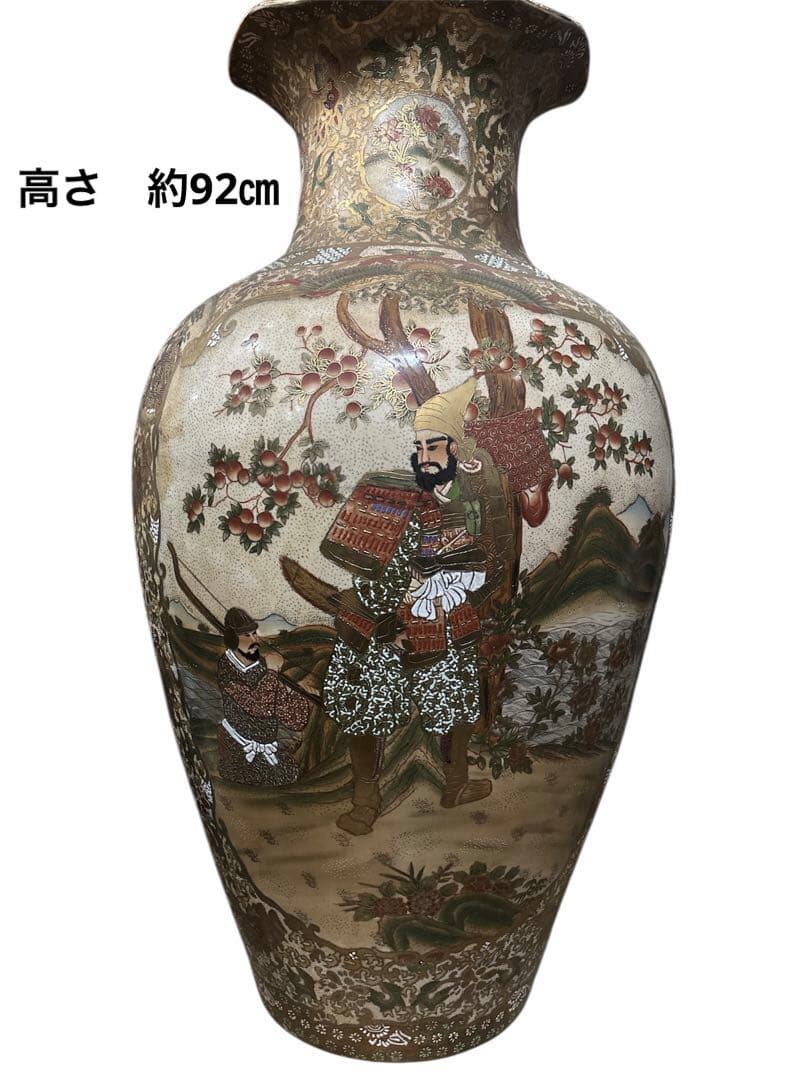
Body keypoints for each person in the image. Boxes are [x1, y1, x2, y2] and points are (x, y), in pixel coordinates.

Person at [321, 378, 514, 834]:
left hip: (442, 612)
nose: (425, 455)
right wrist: (386, 617)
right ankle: (365, 800)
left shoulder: (470, 497)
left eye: (434, 446)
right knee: (364, 703)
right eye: (420, 446)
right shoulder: (396, 493)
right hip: (384, 615)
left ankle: (456, 782)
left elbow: (486, 552)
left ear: (455, 448)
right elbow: (371, 562)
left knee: (457, 695)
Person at [216, 607, 309, 786]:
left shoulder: (261, 665)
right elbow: (259, 707)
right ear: (232, 639)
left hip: (267, 749)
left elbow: (292, 719)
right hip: (239, 748)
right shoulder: (227, 669)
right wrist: (272, 672)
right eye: (247, 636)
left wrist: (299, 697)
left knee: (290, 776)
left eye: (254, 634)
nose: (255, 640)